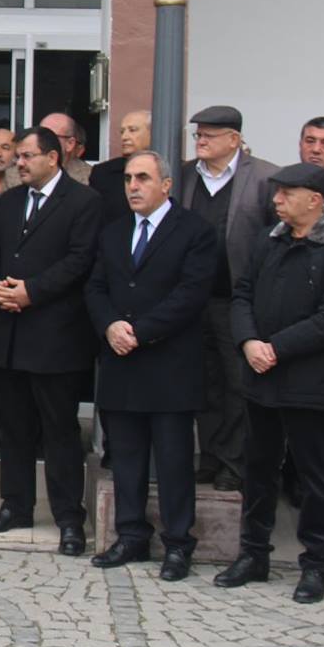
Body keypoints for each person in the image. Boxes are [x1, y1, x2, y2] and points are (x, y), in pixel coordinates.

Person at [221, 163, 324, 604]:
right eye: (276, 193)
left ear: (315, 200)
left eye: (286, 194)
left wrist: (275, 347)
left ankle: (315, 564)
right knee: (259, 468)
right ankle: (254, 554)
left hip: (310, 381)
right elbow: (241, 293)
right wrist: (248, 340)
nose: (277, 200)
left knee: (314, 476)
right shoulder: (269, 241)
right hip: (261, 376)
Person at [83, 151, 219, 581]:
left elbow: (191, 294)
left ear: (166, 185)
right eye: (127, 179)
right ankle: (131, 536)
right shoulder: (113, 232)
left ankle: (178, 543)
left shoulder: (195, 232)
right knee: (125, 457)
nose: (133, 186)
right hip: (121, 363)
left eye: (142, 178)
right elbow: (96, 287)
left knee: (175, 460)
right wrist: (109, 326)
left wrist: (139, 331)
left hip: (169, 364)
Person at [0, 125, 100, 555]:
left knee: (59, 431)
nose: (20, 163)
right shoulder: (9, 202)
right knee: (13, 428)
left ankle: (69, 518)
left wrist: (33, 290)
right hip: (8, 334)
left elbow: (80, 260)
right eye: (18, 156)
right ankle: (16, 506)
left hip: (56, 337)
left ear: (54, 158)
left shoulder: (84, 202)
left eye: (28, 155)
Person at [174, 104, 280, 494]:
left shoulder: (265, 177)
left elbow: (275, 240)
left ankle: (234, 463)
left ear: (233, 140)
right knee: (204, 381)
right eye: (198, 134)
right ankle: (211, 457)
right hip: (191, 299)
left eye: (209, 135)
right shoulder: (185, 174)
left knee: (238, 382)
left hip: (235, 299)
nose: (200, 141)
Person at [88, 110, 151, 223]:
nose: (124, 137)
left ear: (152, 132)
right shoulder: (103, 173)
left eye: (132, 130)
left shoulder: (174, 168)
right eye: (122, 132)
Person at [39, 112, 93, 185]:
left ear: (70, 144)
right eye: (39, 136)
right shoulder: (22, 171)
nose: (41, 141)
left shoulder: (91, 177)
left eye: (50, 136)